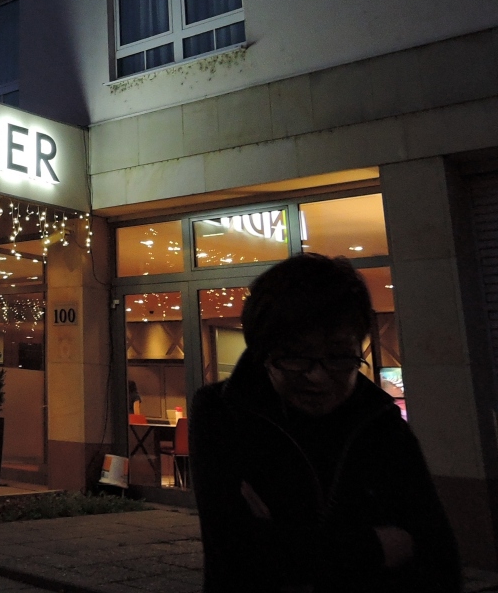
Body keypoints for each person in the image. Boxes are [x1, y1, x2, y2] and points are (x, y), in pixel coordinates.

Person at [190, 253, 460, 592]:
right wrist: (376, 546)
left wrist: (291, 541)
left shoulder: (381, 422)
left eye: (338, 356)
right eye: (295, 356)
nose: (318, 377)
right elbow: (239, 556)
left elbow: (437, 557)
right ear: (263, 354)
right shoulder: (224, 412)